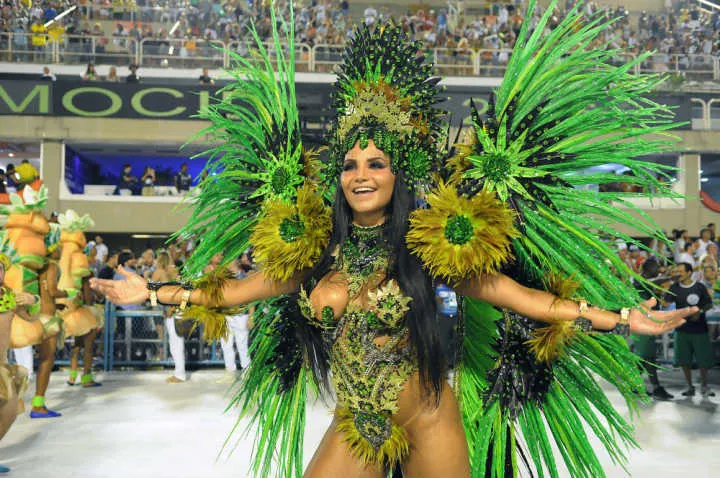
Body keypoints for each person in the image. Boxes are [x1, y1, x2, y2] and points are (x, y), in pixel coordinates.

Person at [91, 7, 696, 477]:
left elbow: (523, 298)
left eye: (376, 163)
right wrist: (155, 292)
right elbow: (234, 293)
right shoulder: (314, 254)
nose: (360, 173)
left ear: (396, 172)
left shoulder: (431, 249)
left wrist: (621, 317)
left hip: (432, 417)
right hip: (358, 420)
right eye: (351, 163)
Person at [666, 262, 715, 397]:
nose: (679, 274)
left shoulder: (699, 287)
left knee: (703, 361)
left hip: (700, 330)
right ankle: (689, 386)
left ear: (689, 272)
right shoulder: (674, 287)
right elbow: (665, 302)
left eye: (681, 271)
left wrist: (699, 311)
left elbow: (709, 303)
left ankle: (704, 386)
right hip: (681, 330)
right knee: (684, 360)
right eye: (677, 271)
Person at [632, 259, 673, 400]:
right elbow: (653, 283)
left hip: (648, 324)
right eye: (656, 268)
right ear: (649, 269)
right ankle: (654, 388)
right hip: (642, 325)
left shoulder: (647, 282)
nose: (658, 270)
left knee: (645, 357)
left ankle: (636, 386)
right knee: (646, 357)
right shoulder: (639, 281)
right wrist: (669, 277)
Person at [67, 275, 102, 388]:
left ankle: (72, 377)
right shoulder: (86, 279)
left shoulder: (73, 279)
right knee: (88, 348)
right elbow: (88, 299)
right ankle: (86, 379)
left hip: (76, 313)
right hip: (88, 314)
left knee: (77, 346)